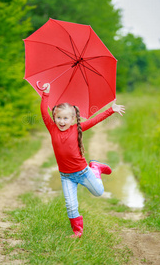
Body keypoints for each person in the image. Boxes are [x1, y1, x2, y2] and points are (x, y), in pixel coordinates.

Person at [40, 83, 125, 238]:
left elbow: (96, 120)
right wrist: (46, 93)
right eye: (58, 117)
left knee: (99, 192)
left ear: (73, 119)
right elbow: (43, 112)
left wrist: (111, 110)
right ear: (54, 118)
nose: (62, 121)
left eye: (65, 118)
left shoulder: (76, 129)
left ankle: (96, 168)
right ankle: (77, 231)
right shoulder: (52, 129)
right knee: (71, 205)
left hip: (83, 172)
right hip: (66, 176)